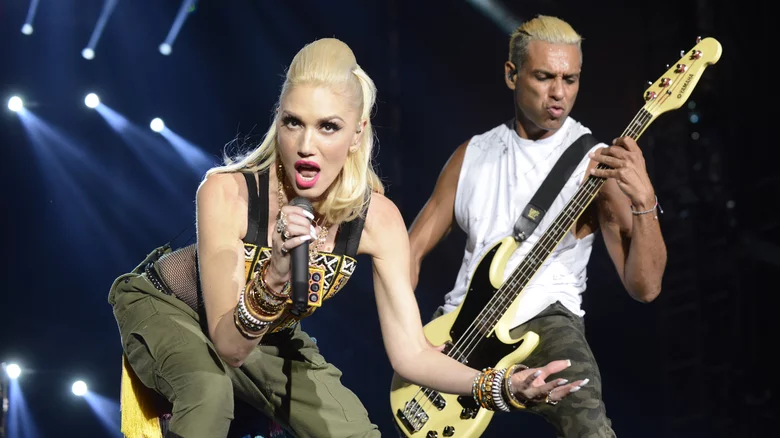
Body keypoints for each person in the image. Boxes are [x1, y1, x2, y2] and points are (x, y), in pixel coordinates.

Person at [108, 37, 588, 438]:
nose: (307, 145)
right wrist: (275, 278)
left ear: (357, 134)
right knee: (209, 395)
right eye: (293, 122)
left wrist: (501, 385)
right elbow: (229, 345)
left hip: (267, 330)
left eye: (328, 127)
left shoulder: (378, 221)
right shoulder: (226, 193)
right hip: (171, 309)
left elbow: (413, 353)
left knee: (351, 430)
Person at [408, 15, 668, 438]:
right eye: (545, 77)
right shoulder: (471, 155)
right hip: (462, 325)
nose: (559, 93)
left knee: (589, 425)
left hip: (548, 318)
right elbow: (408, 253)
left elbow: (646, 288)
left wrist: (645, 203)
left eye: (571, 78)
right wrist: (411, 342)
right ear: (512, 75)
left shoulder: (596, 163)